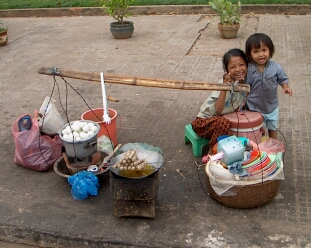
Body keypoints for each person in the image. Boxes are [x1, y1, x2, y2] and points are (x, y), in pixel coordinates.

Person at [191, 48, 248, 155]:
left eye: (241, 64)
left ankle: (225, 150)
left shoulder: (244, 84)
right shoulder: (223, 84)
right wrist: (224, 87)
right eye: (232, 67)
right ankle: (212, 152)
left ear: (247, 65)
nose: (238, 69)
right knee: (223, 122)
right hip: (203, 123)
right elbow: (218, 110)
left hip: (220, 123)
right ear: (227, 71)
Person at [245, 33, 293, 139]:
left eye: (264, 50)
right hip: (253, 108)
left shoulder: (276, 67)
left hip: (272, 107)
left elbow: (283, 79)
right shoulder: (249, 70)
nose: (261, 54)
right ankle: (259, 146)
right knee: (256, 130)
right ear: (249, 54)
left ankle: (273, 146)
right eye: (256, 51)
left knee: (273, 128)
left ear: (270, 50)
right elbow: (246, 87)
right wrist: (243, 101)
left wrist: (285, 87)